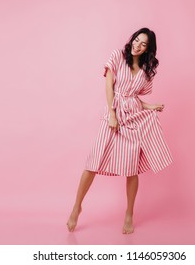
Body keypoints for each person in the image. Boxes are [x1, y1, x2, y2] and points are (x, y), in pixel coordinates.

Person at [67, 27, 173, 234]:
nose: (137, 45)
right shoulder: (117, 56)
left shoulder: (145, 72)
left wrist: (151, 107)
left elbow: (134, 99)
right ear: (132, 39)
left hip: (133, 118)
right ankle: (77, 206)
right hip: (114, 115)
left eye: (143, 44)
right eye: (136, 40)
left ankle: (129, 213)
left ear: (148, 49)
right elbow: (110, 87)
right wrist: (112, 113)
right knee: (93, 162)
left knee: (131, 168)